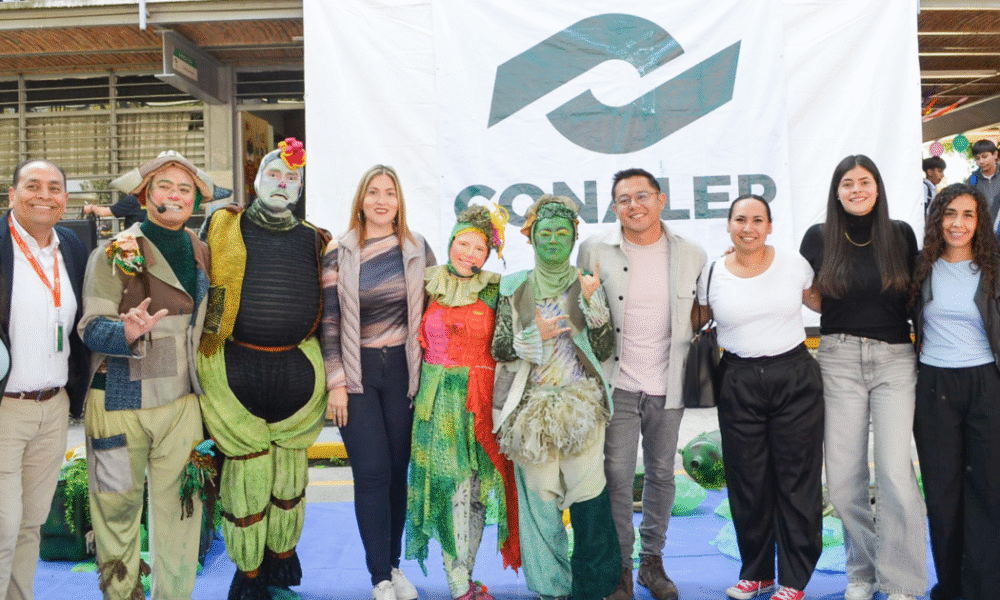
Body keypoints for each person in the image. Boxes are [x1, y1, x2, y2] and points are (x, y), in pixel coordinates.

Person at [198, 138, 328, 600]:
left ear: (300, 190)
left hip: (298, 374)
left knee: (290, 476)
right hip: (234, 368)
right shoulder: (223, 225)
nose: (282, 183)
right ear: (256, 181)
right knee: (245, 477)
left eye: (291, 178)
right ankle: (248, 572)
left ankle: (280, 560)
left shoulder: (317, 239)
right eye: (274, 174)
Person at [79, 150, 212, 600]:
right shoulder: (114, 252)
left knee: (183, 512)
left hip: (181, 404)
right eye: (164, 185)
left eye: (185, 188)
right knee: (114, 513)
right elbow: (91, 328)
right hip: (117, 404)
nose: (175, 195)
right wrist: (126, 331)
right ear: (144, 195)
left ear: (196, 200)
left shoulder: (201, 250)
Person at [799, 155, 926, 600]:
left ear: (877, 187)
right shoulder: (818, 238)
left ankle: (901, 581)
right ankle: (863, 572)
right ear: (837, 192)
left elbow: (915, 293)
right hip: (838, 360)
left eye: (864, 181)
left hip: (894, 360)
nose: (856, 190)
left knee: (895, 475)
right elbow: (805, 290)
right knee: (842, 481)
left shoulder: (901, 234)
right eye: (847, 183)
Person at [577, 168, 705, 600]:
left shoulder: (691, 253)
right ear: (615, 207)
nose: (634, 205)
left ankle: (653, 563)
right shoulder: (594, 249)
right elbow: (584, 312)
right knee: (616, 476)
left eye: (642, 196)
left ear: (661, 199)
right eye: (624, 199)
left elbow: (702, 313)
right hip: (618, 384)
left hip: (669, 383)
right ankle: (621, 570)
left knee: (662, 473)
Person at [694, 194, 823, 600]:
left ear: (769, 226)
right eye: (740, 219)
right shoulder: (712, 273)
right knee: (747, 482)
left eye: (756, 220)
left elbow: (825, 303)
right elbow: (695, 320)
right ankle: (757, 572)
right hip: (738, 380)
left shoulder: (794, 265)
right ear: (728, 225)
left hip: (794, 377)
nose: (747, 228)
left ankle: (795, 579)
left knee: (796, 481)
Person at [491, 194, 619, 600]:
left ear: (573, 238)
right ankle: (551, 589)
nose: (552, 240)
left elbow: (603, 348)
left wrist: (594, 303)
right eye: (544, 232)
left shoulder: (586, 282)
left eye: (562, 233)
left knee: (589, 499)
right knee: (540, 506)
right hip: (530, 410)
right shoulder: (513, 286)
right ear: (531, 238)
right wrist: (534, 336)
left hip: (582, 407)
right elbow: (499, 348)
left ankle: (592, 589)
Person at [321, 164, 436, 600]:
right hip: (358, 375)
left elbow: (436, 311)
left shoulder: (417, 247)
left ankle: (393, 566)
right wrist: (336, 382)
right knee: (371, 473)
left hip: (404, 374)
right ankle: (379, 579)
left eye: (390, 192)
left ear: (399, 200)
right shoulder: (339, 251)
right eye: (373, 192)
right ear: (361, 199)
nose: (382, 200)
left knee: (396, 475)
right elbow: (329, 321)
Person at [405, 204, 519, 600]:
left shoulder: (497, 289)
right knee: (450, 489)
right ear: (451, 241)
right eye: (463, 243)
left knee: (475, 492)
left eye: (479, 248)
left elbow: (511, 342)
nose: (469, 254)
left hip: (480, 400)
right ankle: (458, 583)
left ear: (489, 254)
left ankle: (464, 577)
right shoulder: (426, 282)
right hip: (436, 402)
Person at [0, 159, 89, 600]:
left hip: (54, 408)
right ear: (12, 193)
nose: (44, 195)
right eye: (33, 186)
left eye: (54, 188)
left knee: (31, 523)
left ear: (65, 200)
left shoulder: (71, 245)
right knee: (3, 525)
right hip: (5, 408)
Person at [911, 183, 1000, 600]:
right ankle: (949, 585)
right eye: (950, 214)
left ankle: (984, 587)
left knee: (987, 489)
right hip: (934, 386)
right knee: (942, 492)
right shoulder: (921, 265)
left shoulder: (993, 267)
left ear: (979, 221)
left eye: (968, 214)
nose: (958, 224)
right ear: (937, 219)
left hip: (986, 384)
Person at [967, 139, 1000, 226]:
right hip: (982, 229)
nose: (981, 161)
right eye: (977, 158)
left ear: (995, 154)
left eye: (984, 157)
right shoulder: (972, 181)